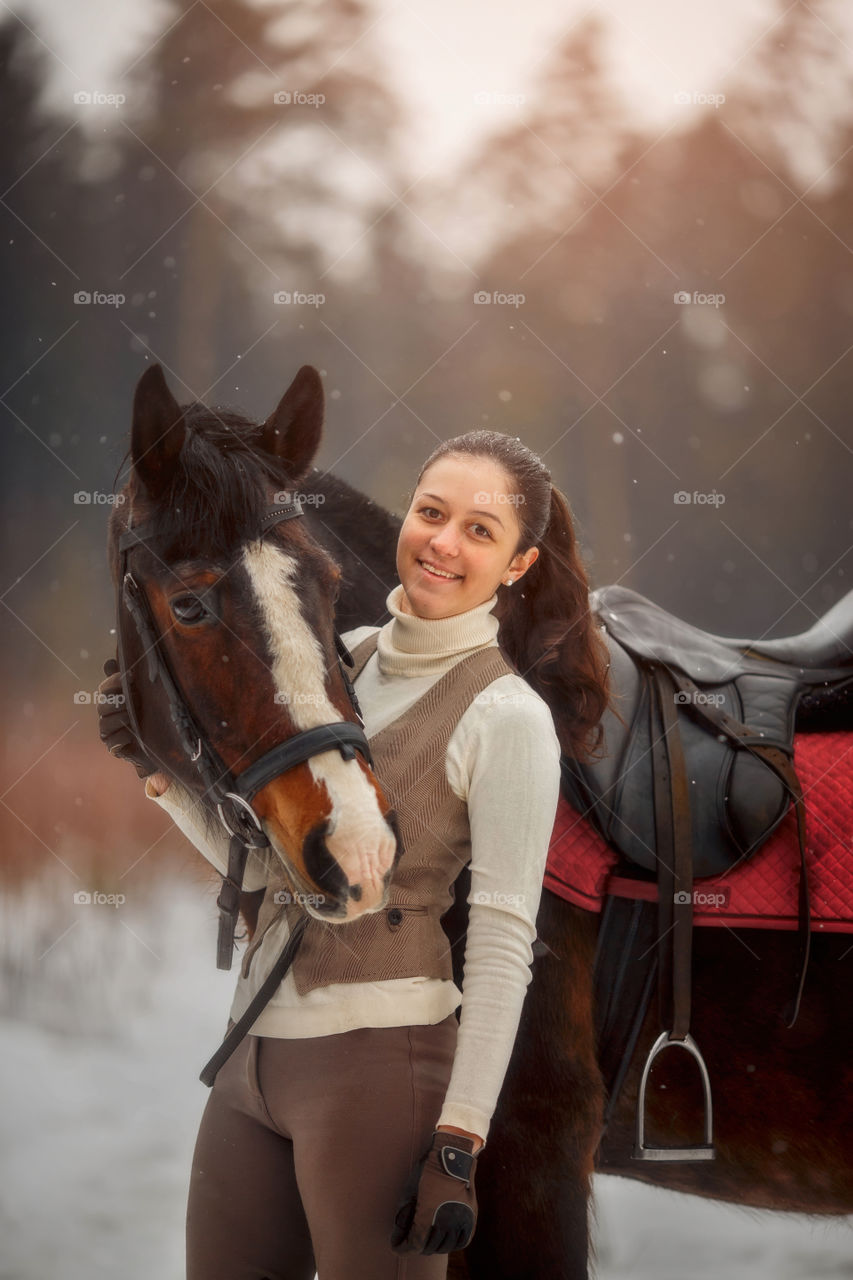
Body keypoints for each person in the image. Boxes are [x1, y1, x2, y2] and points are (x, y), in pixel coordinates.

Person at [99, 429, 610, 1280]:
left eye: (480, 531)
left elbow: (500, 939)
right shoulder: (346, 661)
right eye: (432, 512)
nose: (443, 542)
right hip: (250, 1061)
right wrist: (160, 778)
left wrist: (459, 1140)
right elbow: (274, 868)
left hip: (381, 1067)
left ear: (518, 565)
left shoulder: (507, 715)